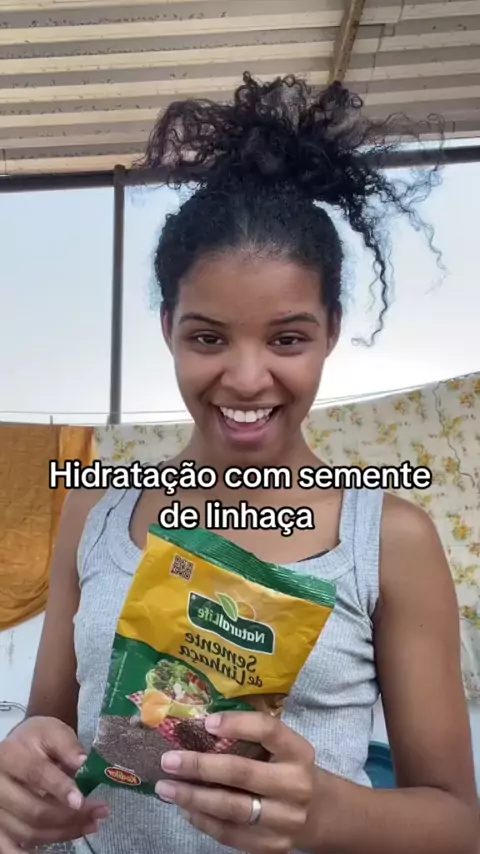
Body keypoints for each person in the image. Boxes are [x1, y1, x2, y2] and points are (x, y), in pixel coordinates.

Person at [0, 73, 477, 854]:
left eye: (287, 338)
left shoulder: (387, 540)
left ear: (330, 331)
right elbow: (48, 725)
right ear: (167, 328)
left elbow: (458, 825)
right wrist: (21, 769)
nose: (247, 379)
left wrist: (321, 811)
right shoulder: (97, 512)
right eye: (208, 337)